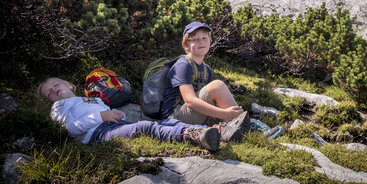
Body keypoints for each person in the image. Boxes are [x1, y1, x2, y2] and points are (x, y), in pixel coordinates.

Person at [37, 77, 247, 151]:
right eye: (50, 93)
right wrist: (101, 117)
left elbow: (105, 112)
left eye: (56, 85)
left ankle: (216, 131)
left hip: (112, 126)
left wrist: (112, 114)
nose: (55, 91)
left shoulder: (88, 99)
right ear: (50, 101)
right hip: (97, 134)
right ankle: (194, 135)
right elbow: (71, 129)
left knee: (166, 123)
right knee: (145, 127)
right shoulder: (59, 108)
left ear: (68, 85)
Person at [162, 21, 249, 137]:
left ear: (209, 42)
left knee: (221, 97)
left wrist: (227, 113)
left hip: (195, 115)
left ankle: (236, 129)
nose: (201, 42)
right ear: (185, 45)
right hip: (175, 118)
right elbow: (190, 101)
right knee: (217, 86)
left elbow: (210, 101)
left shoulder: (206, 69)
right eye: (195, 39)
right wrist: (225, 113)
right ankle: (242, 128)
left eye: (204, 38)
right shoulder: (182, 65)